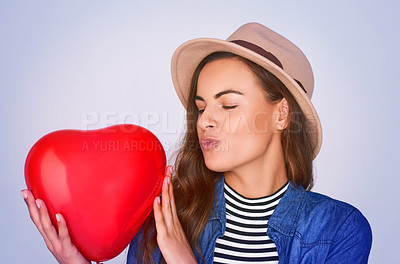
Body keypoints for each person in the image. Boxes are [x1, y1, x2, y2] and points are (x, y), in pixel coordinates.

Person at [22, 22, 372, 264]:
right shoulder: (162, 219)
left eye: (229, 104)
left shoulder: (339, 230)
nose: (205, 120)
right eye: (200, 106)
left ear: (281, 115)